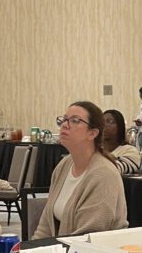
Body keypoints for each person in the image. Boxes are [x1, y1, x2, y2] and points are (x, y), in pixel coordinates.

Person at [33, 101, 128, 239]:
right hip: (62, 251)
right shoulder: (64, 165)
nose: (65, 125)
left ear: (92, 133)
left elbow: (87, 237)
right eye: (64, 119)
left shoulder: (103, 174)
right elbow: (45, 226)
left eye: (75, 121)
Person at [103, 109, 141, 175]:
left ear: (120, 126)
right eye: (102, 122)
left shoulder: (130, 150)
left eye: (110, 122)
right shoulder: (94, 150)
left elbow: (113, 170)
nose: (105, 125)